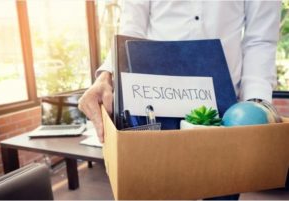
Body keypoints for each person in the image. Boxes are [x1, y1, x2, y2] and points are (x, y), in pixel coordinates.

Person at [78, 1, 281, 200]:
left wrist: (256, 103)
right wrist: (106, 75)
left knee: (221, 189)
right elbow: (132, 28)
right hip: (156, 103)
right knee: (158, 189)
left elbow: (260, 39)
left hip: (225, 110)